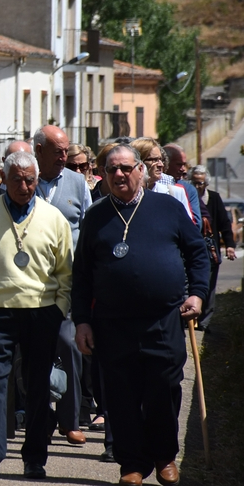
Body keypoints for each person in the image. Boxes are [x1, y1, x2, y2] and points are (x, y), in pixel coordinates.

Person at [73, 144, 210, 486]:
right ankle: (131, 464)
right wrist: (82, 321)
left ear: (141, 171)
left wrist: (198, 293)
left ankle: (164, 456)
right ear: (103, 176)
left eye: (125, 168)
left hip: (162, 320)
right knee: (121, 395)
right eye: (111, 169)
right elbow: (82, 275)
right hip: (112, 323)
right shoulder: (96, 215)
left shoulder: (167, 207)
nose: (118, 174)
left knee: (163, 388)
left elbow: (197, 253)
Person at [0, 151, 73, 482]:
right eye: (17, 180)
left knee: (38, 387)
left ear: (37, 180)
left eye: (30, 180)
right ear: (2, 180)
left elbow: (66, 273)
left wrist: (60, 309)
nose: (24, 186)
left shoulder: (54, 218)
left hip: (42, 312)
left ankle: (34, 457)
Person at [32, 126, 90, 446]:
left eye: (66, 150)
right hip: (30, 286)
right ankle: (36, 415)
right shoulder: (23, 179)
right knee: (33, 351)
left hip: (67, 285)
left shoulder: (77, 182)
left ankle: (70, 420)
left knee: (69, 346)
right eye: (57, 151)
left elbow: (90, 228)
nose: (64, 157)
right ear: (38, 150)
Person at [190, 165, 236, 331]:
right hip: (192, 247)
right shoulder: (187, 196)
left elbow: (224, 224)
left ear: (206, 184)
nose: (197, 187)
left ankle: (205, 321)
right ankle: (192, 317)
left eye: (200, 183)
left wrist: (229, 246)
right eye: (194, 182)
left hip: (210, 248)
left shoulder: (214, 198)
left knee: (209, 285)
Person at [163, 143, 202, 229]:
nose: (183, 169)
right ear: (166, 163)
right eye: (178, 164)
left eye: (184, 165)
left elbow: (196, 224)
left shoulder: (189, 190)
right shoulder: (151, 185)